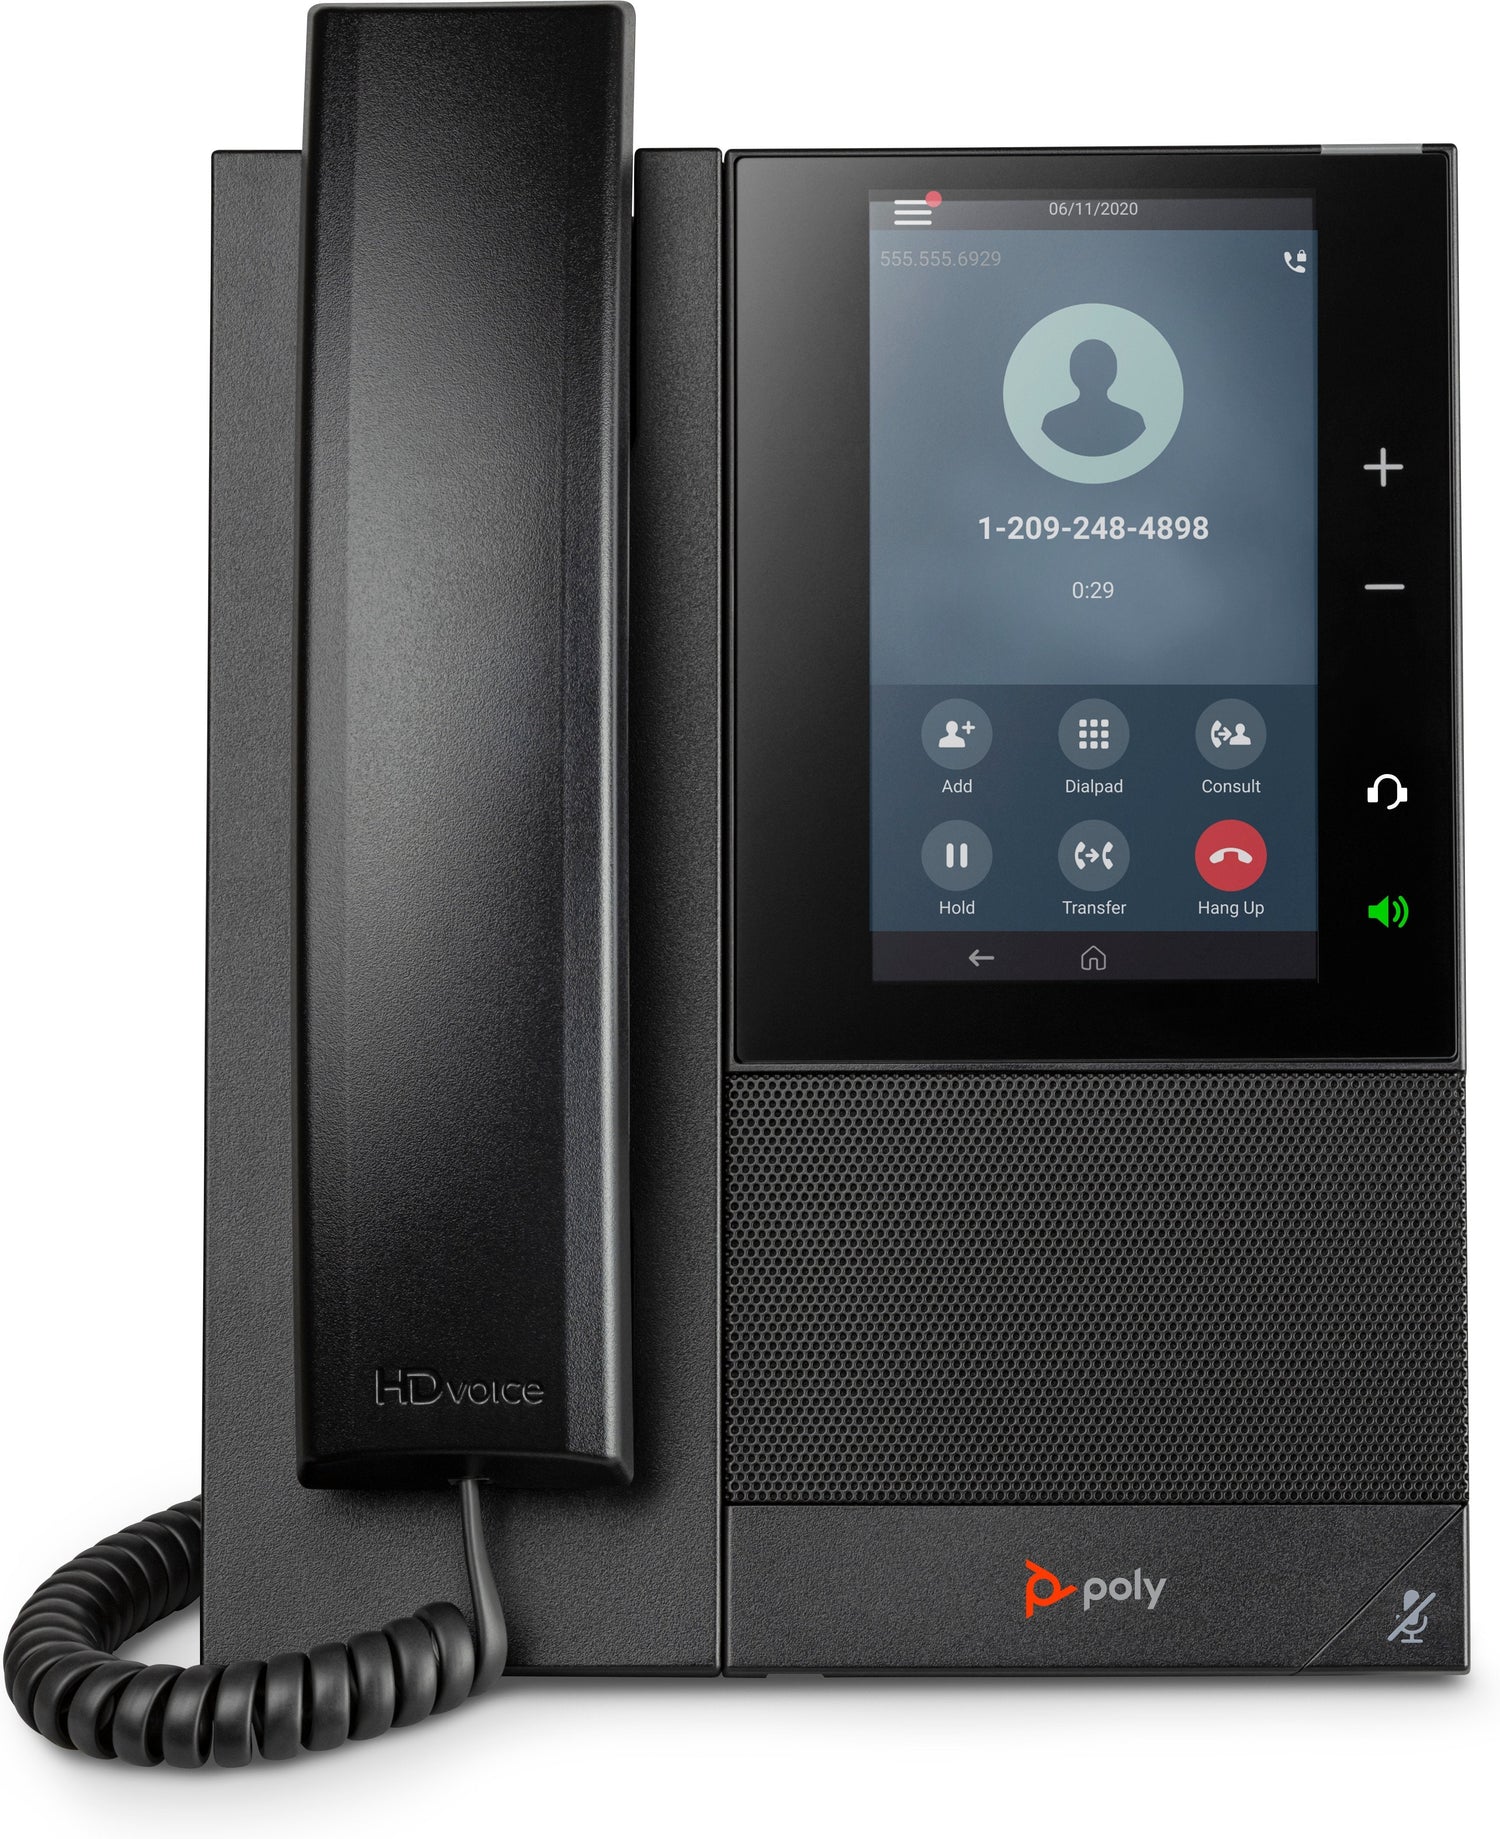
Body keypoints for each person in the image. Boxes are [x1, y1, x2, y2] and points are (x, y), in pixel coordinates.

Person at [1043, 340, 1146, 457]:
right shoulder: (1132, 421)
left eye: (1100, 367)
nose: (1094, 372)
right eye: (1087, 367)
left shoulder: (1054, 420)